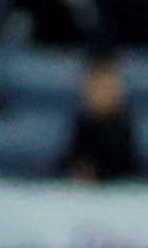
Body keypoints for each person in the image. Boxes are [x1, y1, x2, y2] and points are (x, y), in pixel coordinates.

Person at [59, 54, 141, 182]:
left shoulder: (125, 128)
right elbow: (66, 165)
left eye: (107, 87)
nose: (102, 92)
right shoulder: (81, 125)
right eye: (96, 87)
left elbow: (129, 168)